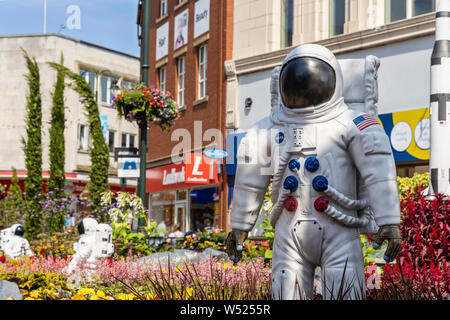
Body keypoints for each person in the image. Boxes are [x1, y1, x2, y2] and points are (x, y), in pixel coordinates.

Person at [225, 44, 402, 300]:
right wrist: (240, 226)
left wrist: (388, 221)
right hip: (290, 235)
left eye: (311, 85)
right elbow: (250, 180)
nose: (304, 92)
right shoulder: (267, 129)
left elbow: (379, 173)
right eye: (297, 87)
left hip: (339, 231)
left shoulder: (354, 123)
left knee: (345, 294)